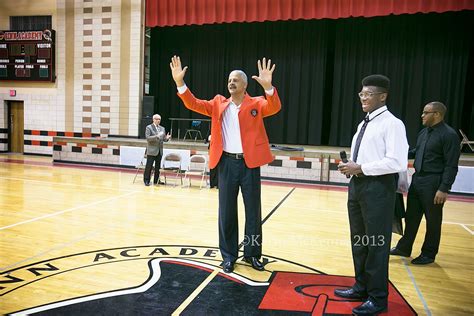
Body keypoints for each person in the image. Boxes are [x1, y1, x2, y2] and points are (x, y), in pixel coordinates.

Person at [170, 55, 281, 274]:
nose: (231, 83)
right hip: (227, 164)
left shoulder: (257, 103)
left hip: (250, 164)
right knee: (227, 212)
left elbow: (274, 107)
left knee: (252, 212)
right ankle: (229, 256)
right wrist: (179, 83)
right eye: (229, 80)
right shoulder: (218, 103)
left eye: (236, 80)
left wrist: (269, 88)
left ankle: (252, 255)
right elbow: (193, 103)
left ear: (245, 85)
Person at [336, 74, 409, 315]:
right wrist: (352, 167)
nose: (363, 98)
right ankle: (361, 286)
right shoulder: (363, 123)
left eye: (368, 94)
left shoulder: (393, 124)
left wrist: (362, 168)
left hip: (378, 189)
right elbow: (367, 158)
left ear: (382, 96)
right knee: (359, 240)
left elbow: (397, 162)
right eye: (361, 94)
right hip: (358, 186)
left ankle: (378, 298)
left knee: (376, 244)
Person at [390, 102, 460, 265]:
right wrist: (397, 154)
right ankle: (404, 248)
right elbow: (416, 152)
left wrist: (444, 188)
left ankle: (428, 254)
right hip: (418, 179)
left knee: (433, 220)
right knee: (411, 217)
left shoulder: (449, 135)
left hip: (434, 182)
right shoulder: (424, 133)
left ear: (437, 114)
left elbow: (451, 165)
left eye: (425, 112)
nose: (422, 115)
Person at [144, 114, 171, 186]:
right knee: (149, 167)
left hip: (159, 151)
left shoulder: (162, 128)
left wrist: (167, 138)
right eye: (156, 119)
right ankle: (147, 180)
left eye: (159, 119)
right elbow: (148, 138)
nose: (158, 120)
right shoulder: (149, 127)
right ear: (153, 119)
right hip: (151, 151)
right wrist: (156, 136)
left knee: (158, 167)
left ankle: (157, 180)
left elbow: (163, 139)